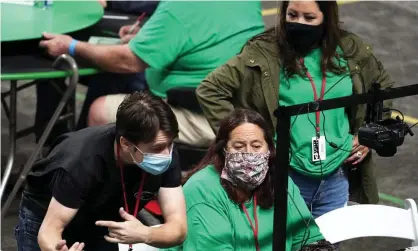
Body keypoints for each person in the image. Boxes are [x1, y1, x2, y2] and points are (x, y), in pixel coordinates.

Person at [196, 0, 394, 218]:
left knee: (327, 245)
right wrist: (243, 137)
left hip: (337, 174)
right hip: (285, 174)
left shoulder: (351, 50)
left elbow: (383, 88)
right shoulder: (263, 51)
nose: (299, 23)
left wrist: (369, 133)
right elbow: (210, 90)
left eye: (309, 18)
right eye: (292, 15)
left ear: (326, 19)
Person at [39, 1, 265, 148]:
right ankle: (69, 150)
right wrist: (149, 38)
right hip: (243, 102)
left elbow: (128, 61)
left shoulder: (181, 7)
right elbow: (208, 33)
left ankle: (82, 184)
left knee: (100, 109)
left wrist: (71, 47)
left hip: (204, 112)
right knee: (109, 77)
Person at [15, 91, 187, 251]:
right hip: (48, 213)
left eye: (170, 144)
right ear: (126, 144)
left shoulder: (164, 152)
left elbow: (178, 229)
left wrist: (146, 234)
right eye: (157, 148)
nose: (167, 154)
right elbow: (49, 231)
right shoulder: (82, 162)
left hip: (101, 221)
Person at [161, 109, 334, 251]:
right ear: (223, 150)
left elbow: (307, 238)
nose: (249, 153)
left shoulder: (280, 182)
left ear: (269, 149)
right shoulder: (202, 188)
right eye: (239, 146)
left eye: (257, 146)